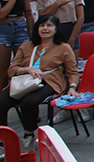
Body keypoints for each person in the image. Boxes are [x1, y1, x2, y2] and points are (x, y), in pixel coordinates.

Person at [0, 15, 78, 151]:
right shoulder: (26, 46)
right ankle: (2, 139)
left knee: (29, 102)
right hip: (24, 80)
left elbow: (72, 72)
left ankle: (29, 133)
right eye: (42, 26)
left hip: (49, 81)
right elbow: (11, 70)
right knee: (1, 102)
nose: (45, 29)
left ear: (56, 29)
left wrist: (72, 87)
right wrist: (26, 69)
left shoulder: (64, 48)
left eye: (49, 25)